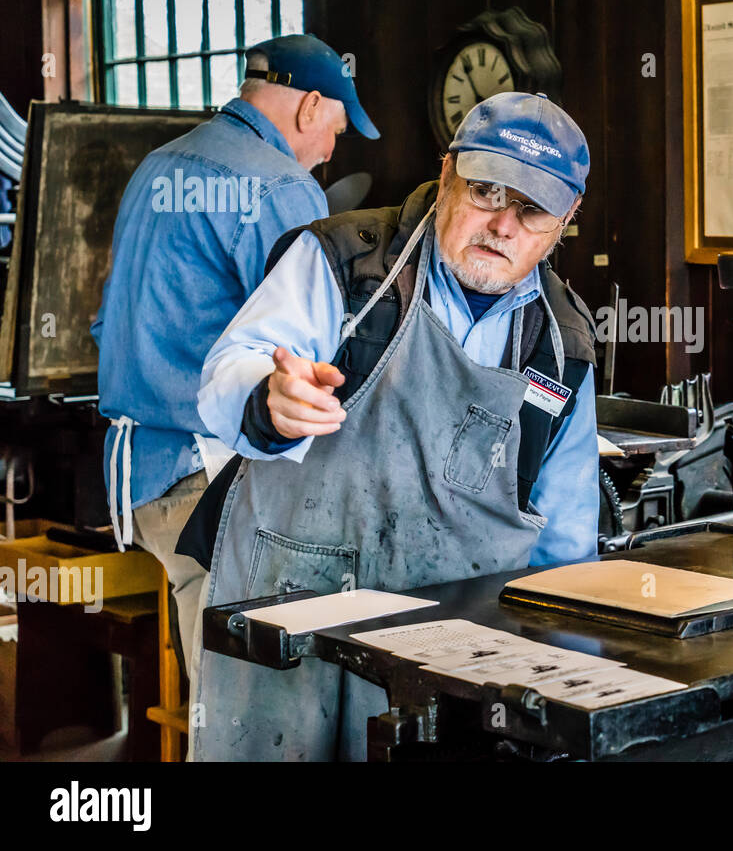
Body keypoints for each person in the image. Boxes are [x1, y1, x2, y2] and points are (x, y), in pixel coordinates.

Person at [185, 91, 599, 760]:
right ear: (445, 175)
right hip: (296, 611)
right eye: (486, 191)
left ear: (566, 219)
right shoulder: (347, 263)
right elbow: (226, 375)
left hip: (449, 650)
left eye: (532, 209)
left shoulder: (561, 343)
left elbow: (568, 550)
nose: (503, 224)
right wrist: (272, 399)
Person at [91, 33, 379, 679]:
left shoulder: (159, 165)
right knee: (236, 705)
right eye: (336, 128)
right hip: (210, 473)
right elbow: (300, 354)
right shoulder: (278, 184)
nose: (331, 151)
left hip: (139, 472)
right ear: (309, 106)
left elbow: (109, 318)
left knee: (208, 683)